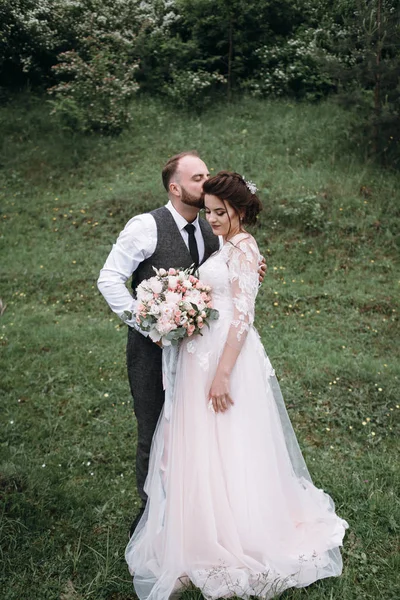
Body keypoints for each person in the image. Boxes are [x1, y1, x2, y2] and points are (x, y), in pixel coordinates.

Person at [125, 171, 348, 600]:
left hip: (226, 357)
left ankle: (236, 526)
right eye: (208, 211)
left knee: (230, 438)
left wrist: (223, 372)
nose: (212, 219)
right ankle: (199, 525)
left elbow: (244, 316)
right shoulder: (224, 244)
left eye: (219, 212)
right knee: (202, 441)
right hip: (199, 354)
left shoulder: (245, 248)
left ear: (240, 210)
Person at [97, 152, 265, 536]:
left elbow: (230, 281)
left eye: (207, 175)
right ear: (175, 187)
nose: (205, 183)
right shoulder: (145, 227)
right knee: (154, 429)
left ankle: (193, 517)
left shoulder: (213, 226)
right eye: (197, 177)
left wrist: (251, 269)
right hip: (151, 350)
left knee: (192, 434)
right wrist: (148, 325)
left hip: (201, 352)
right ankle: (151, 515)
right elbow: (109, 280)